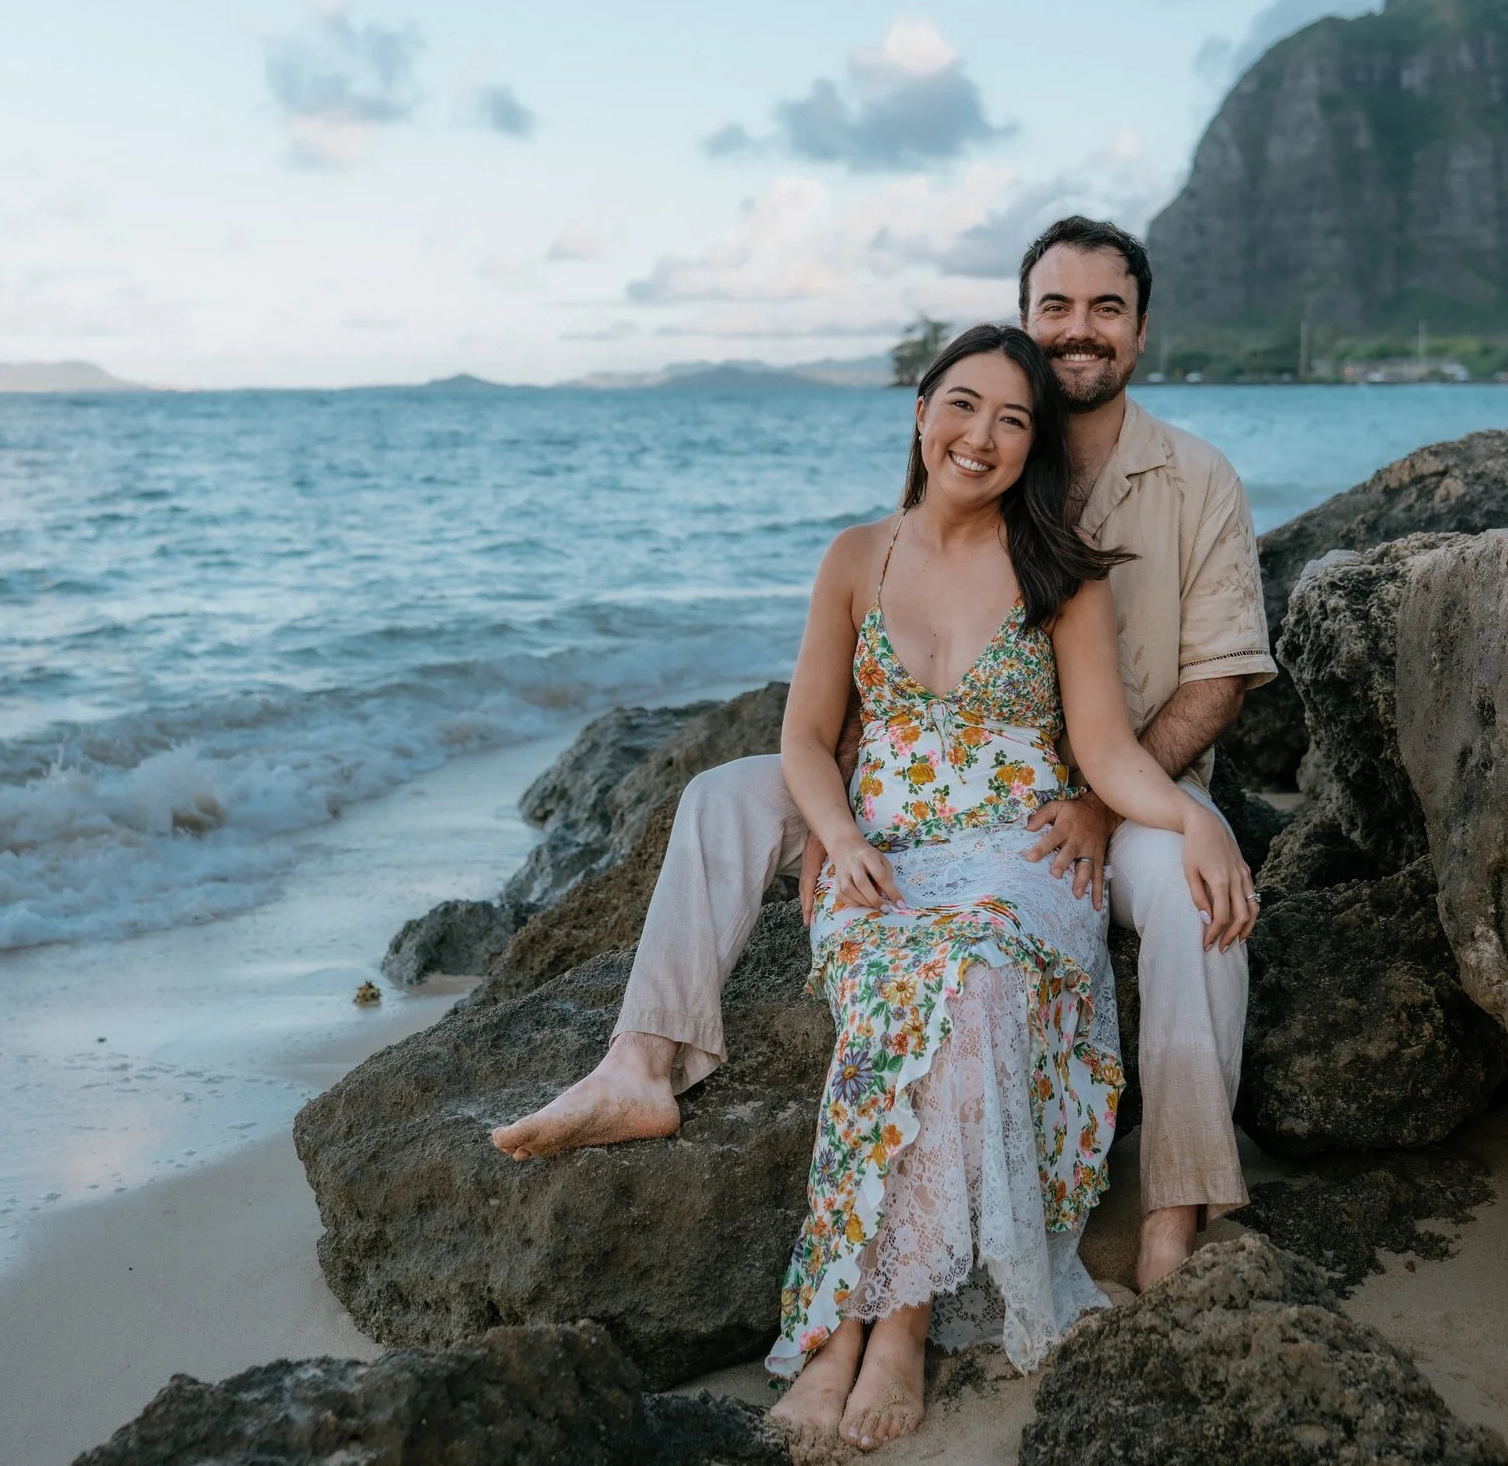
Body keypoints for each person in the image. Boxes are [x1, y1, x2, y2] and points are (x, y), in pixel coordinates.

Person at [492, 214, 1276, 1293]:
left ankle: (1175, 1211)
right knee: (723, 799)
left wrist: (1107, 806)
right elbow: (890, 665)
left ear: (1140, 334)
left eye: (1107, 309)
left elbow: (1220, 677)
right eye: (1055, 306)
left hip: (1117, 787)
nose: (1078, 330)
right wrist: (841, 819)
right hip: (926, 777)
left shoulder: (1195, 481)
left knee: (1201, 901)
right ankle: (639, 1062)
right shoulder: (975, 469)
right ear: (1022, 321)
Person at [753, 324, 1254, 1450]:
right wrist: (834, 839)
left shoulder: (1061, 577)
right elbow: (801, 738)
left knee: (969, 978)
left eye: (1013, 420)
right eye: (962, 405)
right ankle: (849, 1332)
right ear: (921, 409)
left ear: (1033, 449)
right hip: (882, 854)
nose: (981, 436)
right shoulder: (852, 558)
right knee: (911, 991)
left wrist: (1192, 816)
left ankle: (882, 1332)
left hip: (1024, 862)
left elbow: (1110, 752)